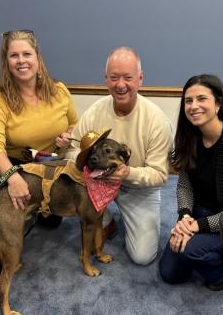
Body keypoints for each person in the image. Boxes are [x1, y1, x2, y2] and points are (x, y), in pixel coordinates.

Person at [67, 46, 173, 265]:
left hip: (138, 189)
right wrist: (83, 162)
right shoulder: (95, 111)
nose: (121, 85)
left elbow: (160, 175)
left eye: (128, 77)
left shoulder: (157, 121)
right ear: (106, 79)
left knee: (143, 257)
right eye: (114, 77)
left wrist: (127, 173)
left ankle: (119, 217)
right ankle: (105, 219)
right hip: (98, 182)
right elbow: (74, 148)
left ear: (140, 79)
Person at [158, 74, 223, 290]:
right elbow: (184, 185)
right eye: (188, 101)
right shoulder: (190, 137)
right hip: (197, 213)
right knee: (169, 273)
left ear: (218, 103)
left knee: (188, 250)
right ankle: (200, 248)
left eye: (201, 99)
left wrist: (197, 226)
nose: (193, 106)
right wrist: (185, 217)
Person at [0, 29, 79, 215]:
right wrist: (13, 178)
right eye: (14, 55)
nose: (21, 61)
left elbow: (75, 124)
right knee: (9, 223)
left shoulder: (59, 90)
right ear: (6, 62)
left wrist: (68, 135)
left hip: (50, 164)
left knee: (50, 221)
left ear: (37, 58)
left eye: (27, 54)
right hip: (15, 166)